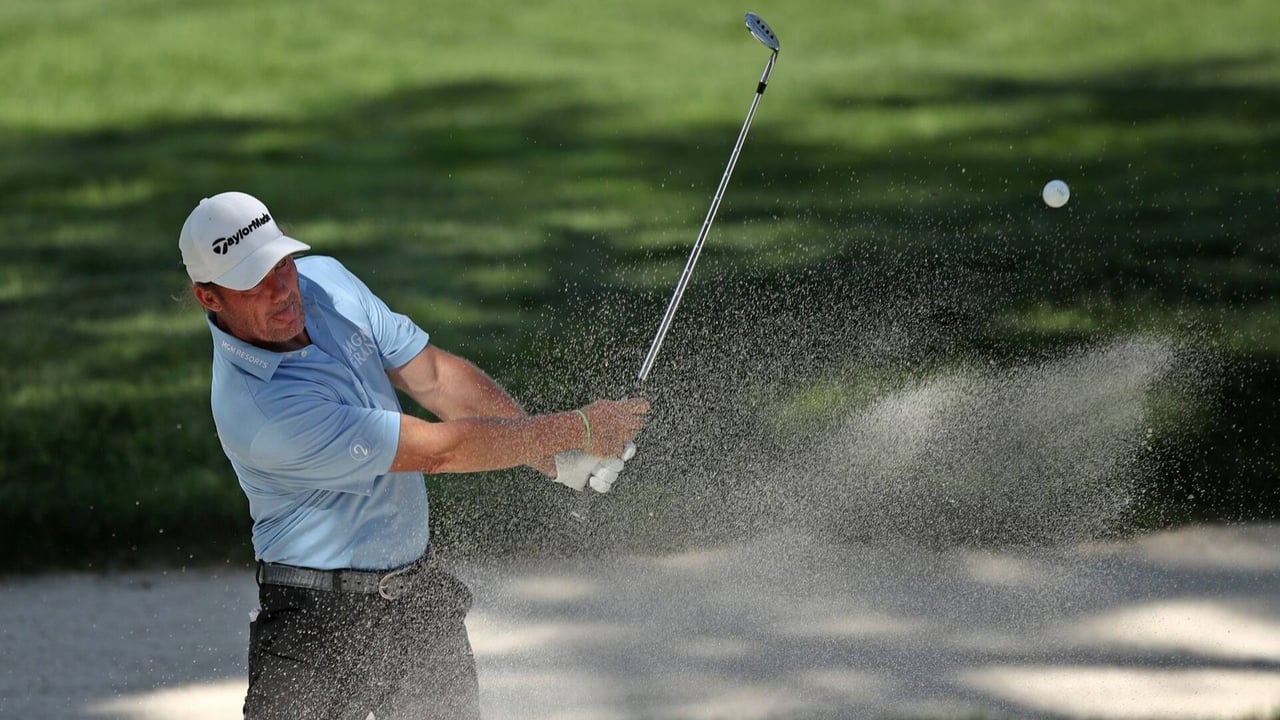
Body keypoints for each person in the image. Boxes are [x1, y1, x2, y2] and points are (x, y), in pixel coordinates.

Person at [178, 191, 649, 720]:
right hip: (316, 626)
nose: (282, 289)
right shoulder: (260, 410)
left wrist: (555, 457)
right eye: (253, 283)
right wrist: (577, 427)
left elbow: (434, 377)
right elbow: (438, 452)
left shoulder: (325, 282)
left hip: (418, 605)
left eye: (281, 263)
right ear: (209, 297)